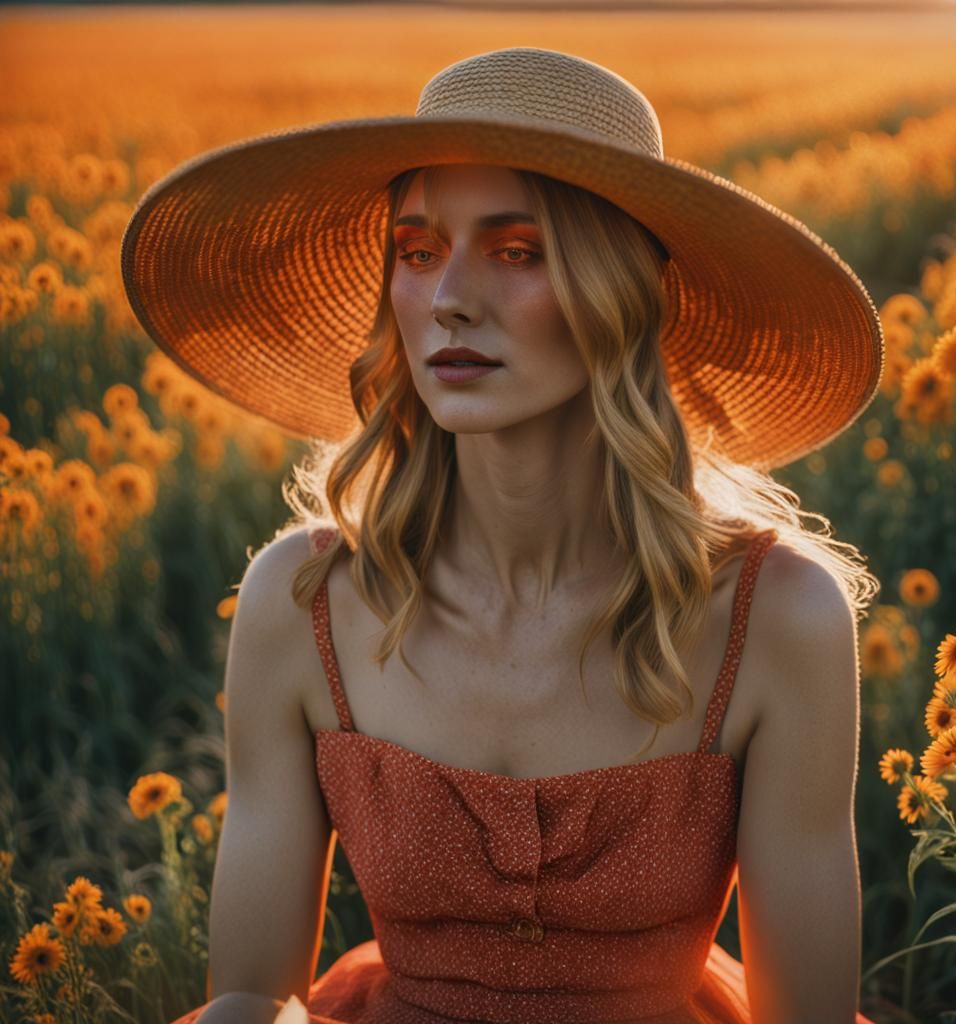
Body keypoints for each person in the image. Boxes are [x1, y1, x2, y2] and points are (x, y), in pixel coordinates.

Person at [121, 47, 885, 1024]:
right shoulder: (302, 602)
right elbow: (251, 999)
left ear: (622, 296)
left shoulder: (777, 615)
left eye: (517, 250)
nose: (449, 299)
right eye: (417, 248)